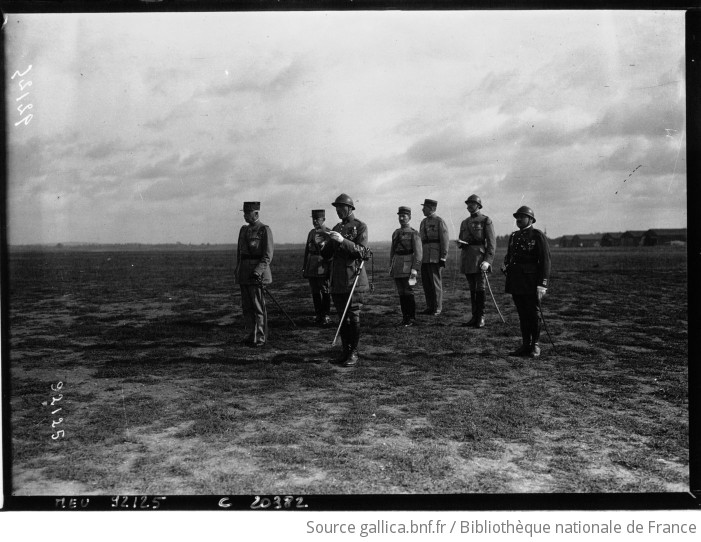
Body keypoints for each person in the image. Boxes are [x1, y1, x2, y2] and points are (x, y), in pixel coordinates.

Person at [319, 193, 369, 367]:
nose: (338, 211)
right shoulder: (336, 227)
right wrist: (322, 245)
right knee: (342, 317)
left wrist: (343, 241)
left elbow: (362, 252)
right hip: (338, 280)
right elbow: (328, 254)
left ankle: (353, 353)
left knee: (352, 316)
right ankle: (345, 351)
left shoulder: (360, 227)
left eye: (341, 207)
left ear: (349, 208)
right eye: (336, 208)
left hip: (353, 279)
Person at [502, 205, 551, 358]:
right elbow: (510, 255)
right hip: (516, 280)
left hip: (531, 281)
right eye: (517, 217)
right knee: (522, 314)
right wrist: (506, 265)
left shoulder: (537, 235)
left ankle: (535, 345)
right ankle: (525, 344)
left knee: (533, 313)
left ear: (530, 219)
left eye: (521, 217)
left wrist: (542, 284)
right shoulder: (514, 236)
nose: (518, 219)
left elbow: (545, 260)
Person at [234, 201, 274, 348]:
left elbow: (268, 255)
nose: (244, 216)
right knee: (247, 307)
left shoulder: (264, 230)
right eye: (244, 213)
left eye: (247, 213)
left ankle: (261, 337)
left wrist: (258, 271)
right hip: (244, 273)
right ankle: (251, 335)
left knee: (258, 307)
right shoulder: (243, 230)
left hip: (257, 275)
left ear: (256, 213)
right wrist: (238, 270)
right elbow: (239, 253)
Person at [457, 194, 496, 328]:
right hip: (467, 257)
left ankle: (481, 317)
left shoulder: (485, 220)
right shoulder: (464, 222)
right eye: (467, 204)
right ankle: (474, 317)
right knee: (472, 288)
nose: (469, 206)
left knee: (480, 287)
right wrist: (460, 243)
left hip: (479, 258)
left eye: (472, 204)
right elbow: (462, 238)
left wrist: (488, 260)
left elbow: (491, 243)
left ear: (478, 205)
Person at [389, 206, 423, 327]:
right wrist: (391, 266)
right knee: (401, 292)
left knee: (408, 291)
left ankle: (411, 318)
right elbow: (392, 251)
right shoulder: (396, 233)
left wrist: (415, 269)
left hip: (408, 266)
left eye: (404, 216)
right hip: (398, 265)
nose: (401, 218)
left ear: (410, 217)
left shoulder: (414, 233)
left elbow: (418, 253)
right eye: (400, 216)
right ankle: (405, 317)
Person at [418, 198, 449, 316]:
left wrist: (443, 257)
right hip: (424, 256)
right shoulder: (423, 222)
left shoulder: (439, 221)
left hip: (435, 256)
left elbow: (444, 240)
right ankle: (430, 306)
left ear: (432, 208)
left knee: (435, 282)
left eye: (424, 207)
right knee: (426, 283)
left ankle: (437, 307)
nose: (422, 209)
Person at [302, 209, 332, 326]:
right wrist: (305, 267)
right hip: (311, 265)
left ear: (323, 219)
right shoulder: (311, 233)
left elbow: (331, 253)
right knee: (314, 291)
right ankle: (318, 314)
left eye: (317, 219)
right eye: (313, 219)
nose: (314, 221)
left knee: (325, 290)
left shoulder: (329, 232)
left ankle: (326, 315)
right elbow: (306, 251)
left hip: (322, 265)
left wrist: (329, 268)